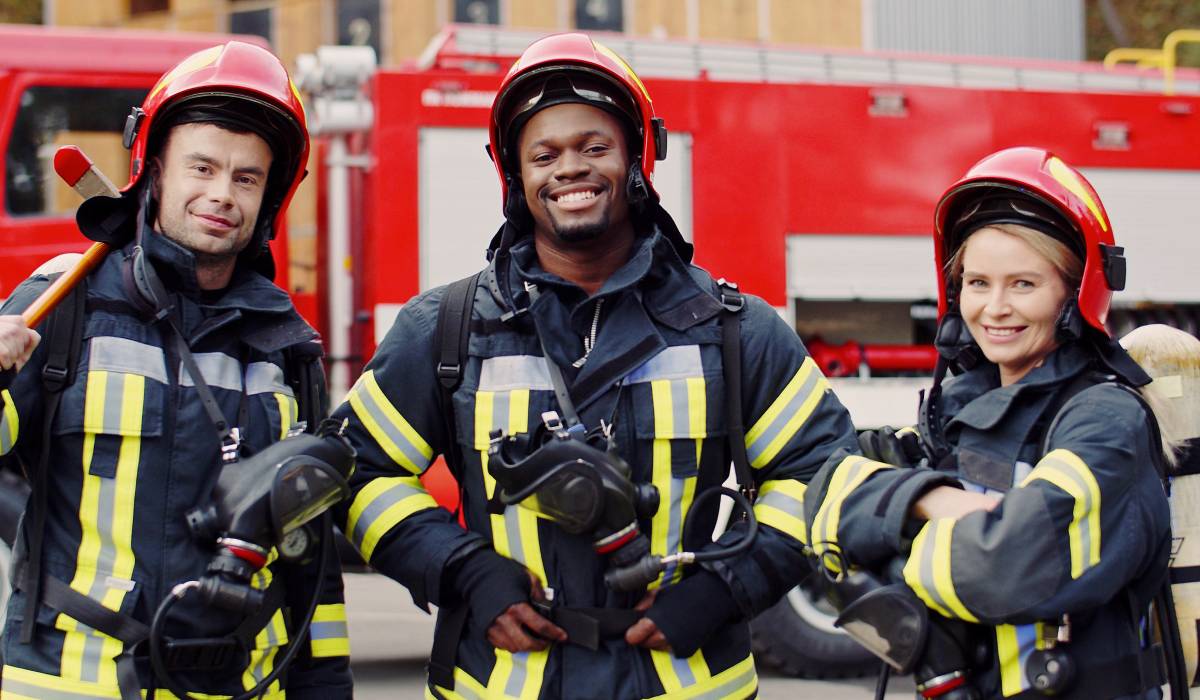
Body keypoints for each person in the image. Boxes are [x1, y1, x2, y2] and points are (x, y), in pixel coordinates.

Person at [331, 33, 858, 699]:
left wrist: (726, 589)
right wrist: (462, 571)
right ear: (516, 177)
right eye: (544, 154)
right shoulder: (447, 328)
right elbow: (357, 472)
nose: (569, 169)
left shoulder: (734, 331)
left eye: (594, 147)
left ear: (635, 161)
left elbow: (822, 472)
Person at [0, 42, 352, 699]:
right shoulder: (62, 300)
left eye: (246, 178)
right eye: (203, 167)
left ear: (270, 196)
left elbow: (311, 555)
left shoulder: (285, 348)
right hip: (71, 682)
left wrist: (325, 683)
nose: (222, 195)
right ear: (155, 167)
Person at [804, 147, 1172, 699]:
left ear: (1074, 294)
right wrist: (931, 499)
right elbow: (823, 496)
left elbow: (1007, 569)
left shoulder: (1104, 420)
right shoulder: (957, 406)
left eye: (1023, 284)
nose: (994, 308)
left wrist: (888, 536)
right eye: (977, 283)